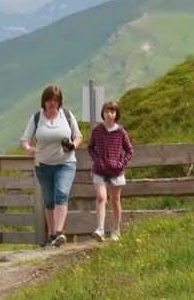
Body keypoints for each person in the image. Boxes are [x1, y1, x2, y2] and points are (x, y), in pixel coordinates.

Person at [20, 84, 82, 247]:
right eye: (49, 100)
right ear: (44, 101)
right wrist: (28, 148)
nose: (52, 103)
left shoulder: (67, 115)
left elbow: (78, 136)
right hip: (43, 165)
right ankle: (51, 236)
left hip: (65, 163)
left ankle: (58, 232)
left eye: (56, 100)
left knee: (61, 194)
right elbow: (24, 139)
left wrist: (72, 146)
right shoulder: (36, 118)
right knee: (48, 200)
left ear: (59, 102)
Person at [87, 100, 134, 241]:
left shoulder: (121, 132)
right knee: (101, 197)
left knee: (115, 200)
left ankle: (116, 230)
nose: (109, 114)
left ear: (116, 114)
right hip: (99, 170)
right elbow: (90, 147)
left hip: (116, 172)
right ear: (103, 113)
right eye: (107, 111)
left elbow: (129, 151)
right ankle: (100, 229)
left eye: (112, 111)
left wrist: (121, 163)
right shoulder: (97, 131)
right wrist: (97, 160)